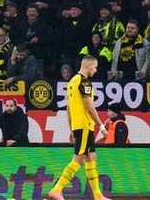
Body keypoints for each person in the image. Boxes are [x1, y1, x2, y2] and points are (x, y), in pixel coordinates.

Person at [46, 55, 111, 200]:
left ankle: (98, 195)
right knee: (79, 158)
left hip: (78, 126)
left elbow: (69, 109)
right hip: (85, 126)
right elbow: (89, 106)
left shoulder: (72, 82)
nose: (95, 70)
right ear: (88, 66)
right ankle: (56, 190)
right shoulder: (84, 82)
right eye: (94, 67)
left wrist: (71, 129)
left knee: (91, 157)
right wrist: (101, 126)